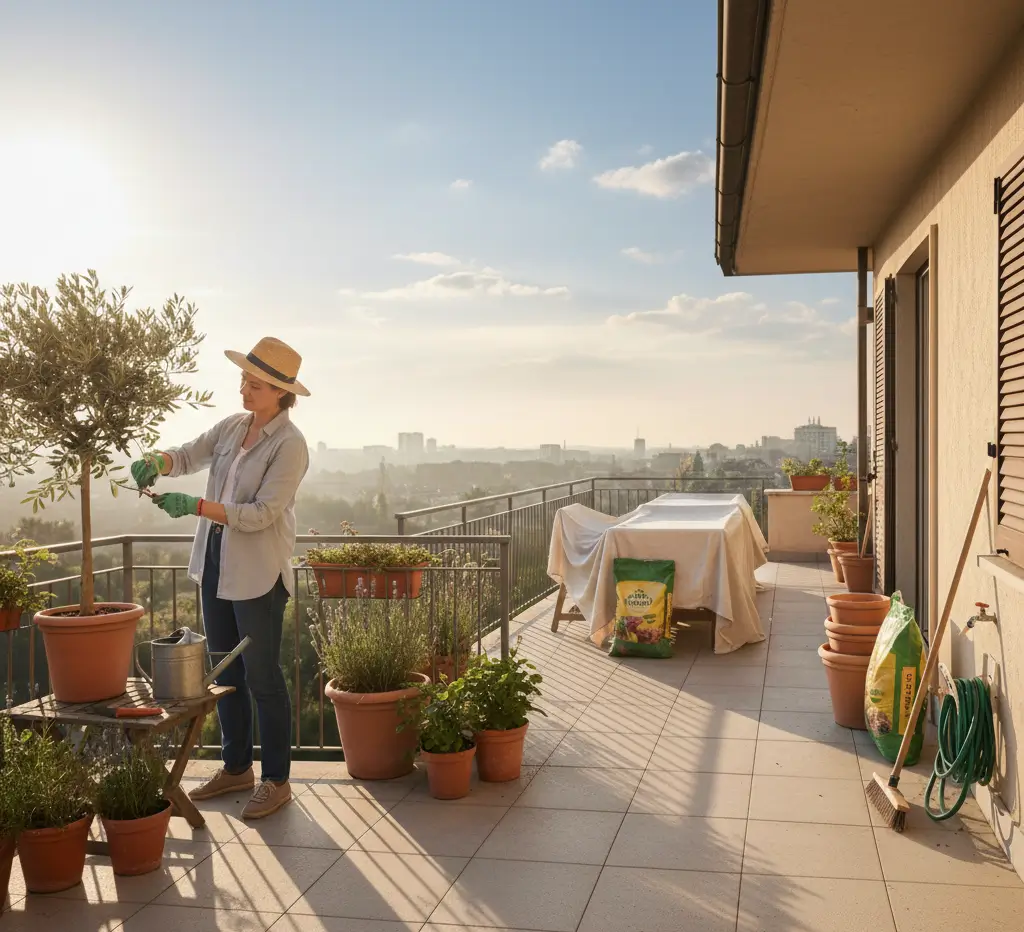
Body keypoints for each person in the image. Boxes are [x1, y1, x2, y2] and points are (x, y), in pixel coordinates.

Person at [131, 336, 310, 820]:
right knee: (225, 675)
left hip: (257, 573)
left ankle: (276, 779)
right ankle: (236, 768)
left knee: (264, 677)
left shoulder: (290, 445)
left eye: (255, 384)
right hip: (214, 561)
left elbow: (261, 513)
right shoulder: (233, 427)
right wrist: (159, 461)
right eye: (244, 381)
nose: (245, 390)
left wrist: (196, 506)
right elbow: (190, 454)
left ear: (280, 392)